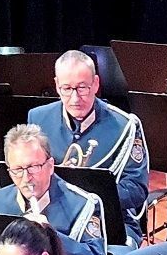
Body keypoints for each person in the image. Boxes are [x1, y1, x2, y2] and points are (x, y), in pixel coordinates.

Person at [27, 50, 149, 241]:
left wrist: (91, 197)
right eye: (67, 89)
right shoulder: (37, 118)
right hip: (54, 217)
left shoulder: (125, 125)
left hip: (109, 223)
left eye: (82, 88)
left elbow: (136, 190)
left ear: (96, 84)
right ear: (57, 86)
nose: (75, 99)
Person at [0, 124, 107, 255]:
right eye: (17, 169)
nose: (26, 177)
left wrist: (50, 236)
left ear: (50, 165)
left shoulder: (82, 204)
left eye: (33, 167)